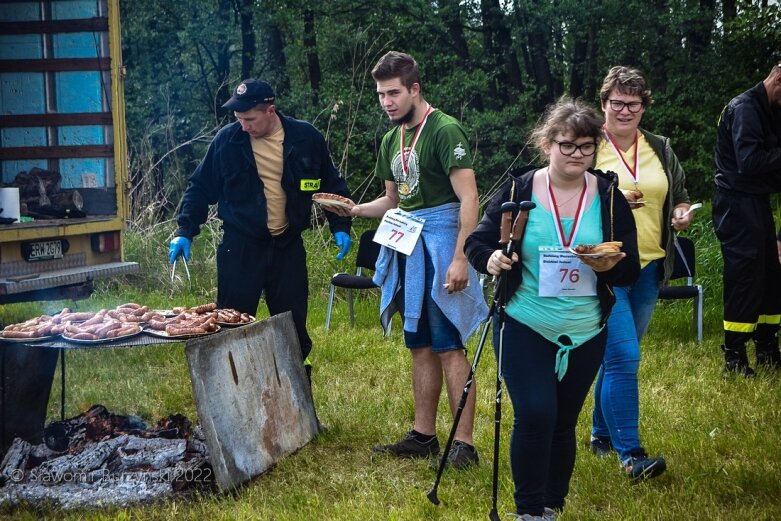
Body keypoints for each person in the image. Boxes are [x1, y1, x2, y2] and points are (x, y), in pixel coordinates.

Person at [465, 96, 639, 520]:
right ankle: (527, 512)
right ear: (547, 145)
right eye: (567, 145)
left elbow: (630, 267)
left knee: (563, 421)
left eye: (585, 147)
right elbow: (478, 241)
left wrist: (608, 266)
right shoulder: (519, 189)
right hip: (525, 320)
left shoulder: (610, 196)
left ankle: (550, 507)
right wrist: (490, 259)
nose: (576, 155)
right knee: (537, 413)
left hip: (586, 327)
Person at [336, 51, 488, 468]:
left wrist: (462, 259)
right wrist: (354, 210)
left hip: (442, 248)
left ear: (415, 89)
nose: (386, 101)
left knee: (449, 345)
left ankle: (464, 444)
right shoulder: (390, 139)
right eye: (381, 94)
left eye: (394, 93)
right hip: (408, 250)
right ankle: (424, 436)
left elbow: (469, 199)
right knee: (419, 346)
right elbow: (392, 200)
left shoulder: (444, 130)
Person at [169, 79, 353, 375]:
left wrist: (341, 224)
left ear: (270, 111)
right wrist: (184, 231)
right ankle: (235, 400)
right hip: (240, 248)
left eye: (250, 119)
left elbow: (332, 183)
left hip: (287, 249)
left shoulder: (305, 138)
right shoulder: (227, 142)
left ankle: (298, 410)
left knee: (293, 328)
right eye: (239, 119)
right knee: (230, 326)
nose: (244, 126)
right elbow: (199, 188)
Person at [588, 66, 693, 480]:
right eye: (617, 102)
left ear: (644, 107)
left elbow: (679, 194)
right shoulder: (588, 145)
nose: (625, 110)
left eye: (633, 103)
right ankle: (631, 455)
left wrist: (682, 212)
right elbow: (565, 197)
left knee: (615, 360)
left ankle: (600, 434)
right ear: (604, 104)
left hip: (650, 265)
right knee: (625, 358)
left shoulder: (660, 147)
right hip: (607, 268)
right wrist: (610, 202)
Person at [713, 63, 781, 376]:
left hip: (757, 201)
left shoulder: (770, 108)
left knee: (770, 276)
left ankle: (767, 348)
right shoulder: (745, 109)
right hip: (735, 204)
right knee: (745, 278)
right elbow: (750, 161)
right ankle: (734, 358)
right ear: (778, 77)